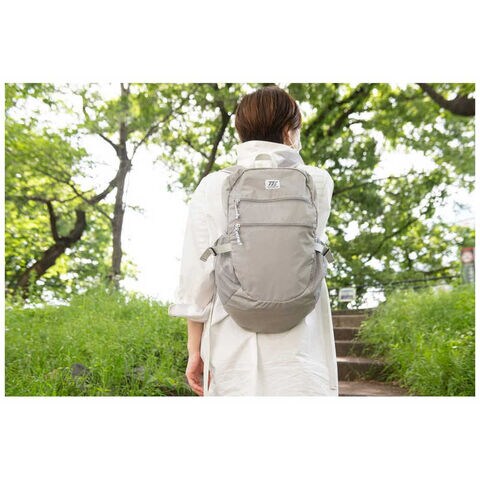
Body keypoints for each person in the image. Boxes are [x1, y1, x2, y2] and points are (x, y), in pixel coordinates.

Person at [168, 85, 337, 396]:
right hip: (301, 345)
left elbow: (197, 277)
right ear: (289, 130)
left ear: (240, 131)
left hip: (232, 343)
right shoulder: (317, 181)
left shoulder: (214, 185)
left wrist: (194, 351)